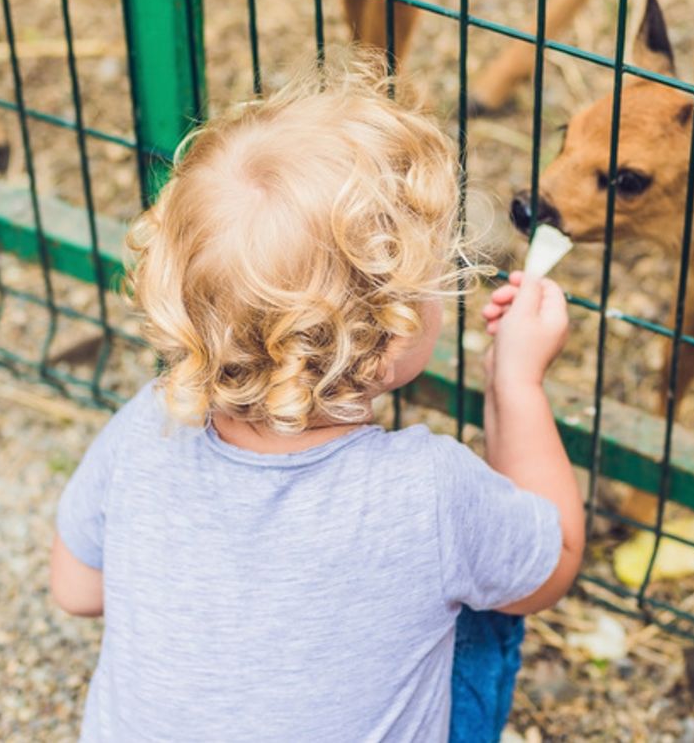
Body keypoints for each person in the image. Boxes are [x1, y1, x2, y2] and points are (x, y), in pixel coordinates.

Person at [49, 54, 584, 741]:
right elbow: (550, 564)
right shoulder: (429, 491)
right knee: (487, 601)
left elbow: (77, 589)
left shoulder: (147, 427)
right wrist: (517, 384)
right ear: (392, 335)